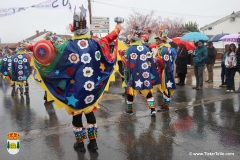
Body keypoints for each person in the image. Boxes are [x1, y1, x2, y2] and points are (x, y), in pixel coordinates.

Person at [22, 6, 122, 152]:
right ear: (86, 29)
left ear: (72, 30)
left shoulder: (66, 46)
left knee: (76, 115)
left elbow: (48, 51)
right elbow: (110, 37)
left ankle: (80, 145)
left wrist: (31, 47)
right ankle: (93, 143)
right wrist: (118, 27)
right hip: (91, 89)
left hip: (75, 90)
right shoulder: (95, 43)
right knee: (90, 113)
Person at [121, 26, 161, 117]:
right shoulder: (146, 49)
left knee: (130, 92)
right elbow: (151, 62)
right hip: (145, 75)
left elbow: (125, 63)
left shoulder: (129, 50)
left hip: (133, 75)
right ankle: (153, 110)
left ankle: (130, 110)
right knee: (148, 92)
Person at [155, 36, 176, 112]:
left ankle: (166, 106)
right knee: (164, 87)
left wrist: (156, 60)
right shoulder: (162, 48)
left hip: (165, 71)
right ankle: (164, 104)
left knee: (166, 87)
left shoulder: (164, 49)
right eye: (156, 40)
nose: (156, 42)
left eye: (158, 40)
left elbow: (164, 62)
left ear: (162, 41)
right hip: (164, 70)